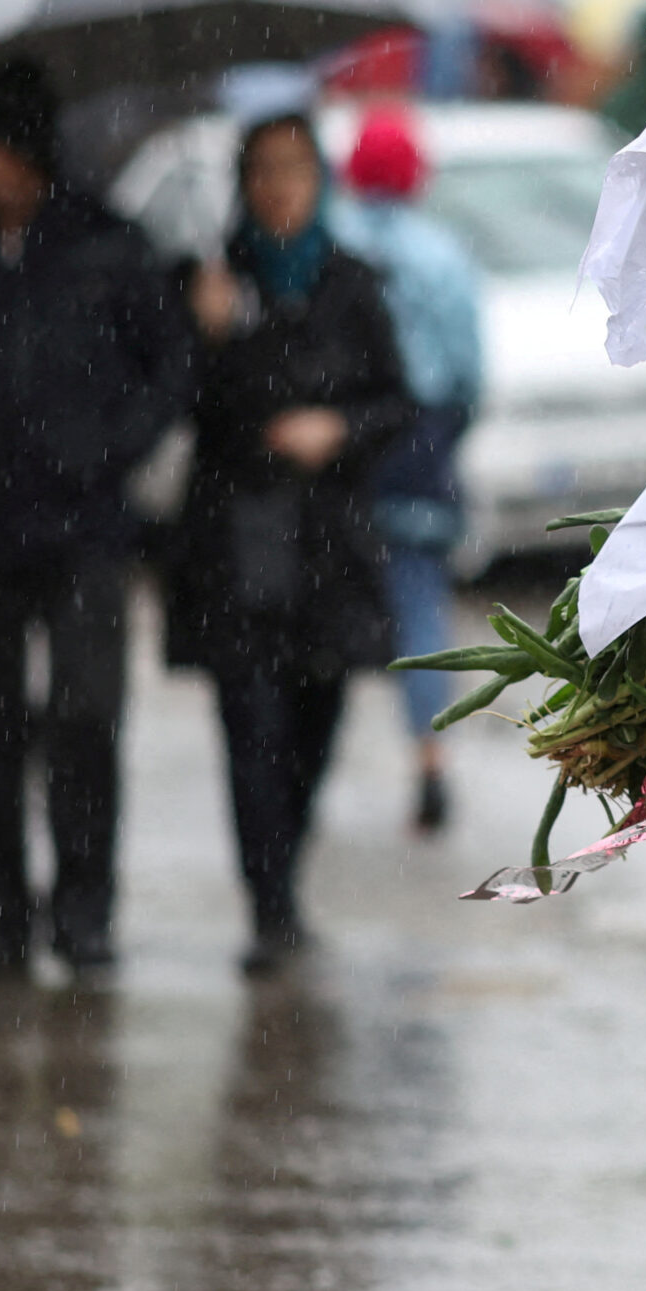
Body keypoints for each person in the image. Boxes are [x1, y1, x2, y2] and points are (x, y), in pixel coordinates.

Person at [0, 60, 192, 978]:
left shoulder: (109, 246)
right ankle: (2, 916)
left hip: (85, 534)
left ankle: (85, 912)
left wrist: (113, 451)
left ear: (20, 154)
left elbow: (169, 366)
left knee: (86, 717)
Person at [165, 110, 413, 975]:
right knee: (251, 724)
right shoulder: (211, 279)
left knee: (314, 719)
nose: (280, 186)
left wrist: (337, 425)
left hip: (329, 545)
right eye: (264, 169)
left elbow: (398, 402)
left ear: (320, 180)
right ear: (243, 180)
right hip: (236, 542)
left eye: (296, 168)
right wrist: (203, 332)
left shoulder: (350, 281)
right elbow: (178, 405)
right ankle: (268, 905)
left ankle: (285, 869)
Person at [329, 105, 483, 834]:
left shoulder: (333, 241)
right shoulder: (442, 253)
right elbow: (467, 373)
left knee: (325, 607)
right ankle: (429, 761)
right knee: (419, 606)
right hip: (419, 442)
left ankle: (309, 770)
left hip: (344, 443)